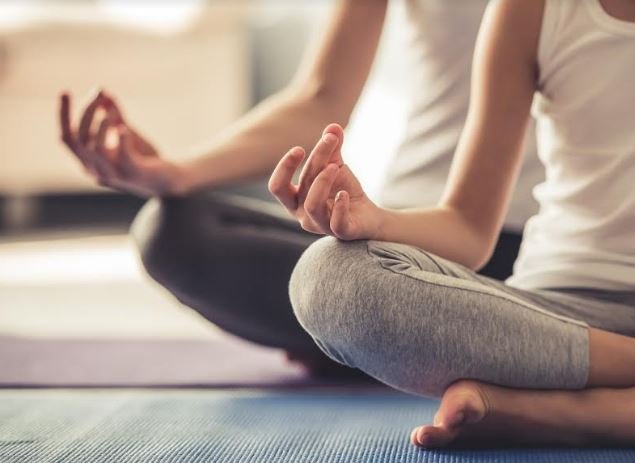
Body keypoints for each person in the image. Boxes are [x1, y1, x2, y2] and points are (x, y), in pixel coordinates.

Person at [58, 1, 542, 375]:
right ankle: (387, 345)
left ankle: (371, 347)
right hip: (395, 235)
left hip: (530, 251)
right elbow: (321, 96)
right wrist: (175, 172)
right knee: (173, 230)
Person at [269, 0, 635, 448]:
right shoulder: (528, 10)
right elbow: (467, 228)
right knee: (328, 277)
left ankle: (561, 411)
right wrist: (375, 219)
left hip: (568, 346)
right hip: (560, 314)